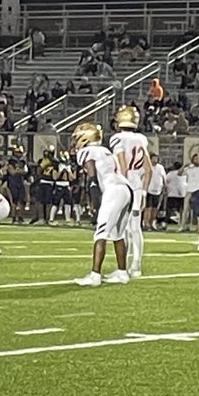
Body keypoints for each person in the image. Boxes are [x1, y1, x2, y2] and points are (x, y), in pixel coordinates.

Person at [72, 122, 132, 286]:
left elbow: (92, 178)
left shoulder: (87, 151)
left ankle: (95, 276)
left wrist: (94, 201)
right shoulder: (106, 151)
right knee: (118, 234)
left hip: (112, 191)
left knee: (101, 234)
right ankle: (122, 273)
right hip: (126, 188)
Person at [110, 105, 152, 277]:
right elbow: (148, 169)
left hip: (125, 182)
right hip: (137, 184)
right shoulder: (141, 139)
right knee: (135, 227)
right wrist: (143, 193)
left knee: (123, 228)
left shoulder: (117, 138)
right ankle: (136, 265)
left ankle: (124, 267)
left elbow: (123, 166)